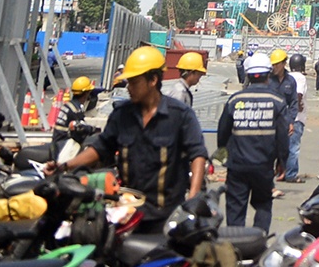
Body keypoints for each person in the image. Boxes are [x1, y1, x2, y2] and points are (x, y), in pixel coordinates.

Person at [52, 45, 207, 220]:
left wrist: (192, 198)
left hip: (165, 216)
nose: (128, 87)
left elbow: (198, 155)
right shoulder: (121, 115)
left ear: (153, 80)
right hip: (128, 212)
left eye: (134, 82)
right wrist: (64, 166)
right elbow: (100, 148)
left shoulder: (180, 115)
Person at [217, 53, 289, 231]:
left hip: (237, 167)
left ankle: (236, 243)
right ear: (268, 74)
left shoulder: (235, 100)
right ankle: (259, 240)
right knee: (263, 205)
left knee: (235, 209)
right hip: (263, 166)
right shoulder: (278, 101)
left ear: (248, 75)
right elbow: (282, 136)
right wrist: (282, 161)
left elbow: (223, 132)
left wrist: (223, 156)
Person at [268, 50, 305, 182]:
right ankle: (267, 172)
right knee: (269, 148)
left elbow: (293, 103)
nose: (274, 67)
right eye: (273, 65)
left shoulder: (290, 81)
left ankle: (285, 171)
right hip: (269, 119)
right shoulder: (268, 80)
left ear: (284, 64)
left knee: (286, 148)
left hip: (284, 120)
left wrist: (290, 122)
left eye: (277, 64)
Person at [282, 54, 310, 183]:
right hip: (296, 118)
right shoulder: (300, 77)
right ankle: (291, 174)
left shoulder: (287, 77)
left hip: (285, 117)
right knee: (293, 147)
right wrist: (298, 106)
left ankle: (282, 171)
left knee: (285, 146)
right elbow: (298, 93)